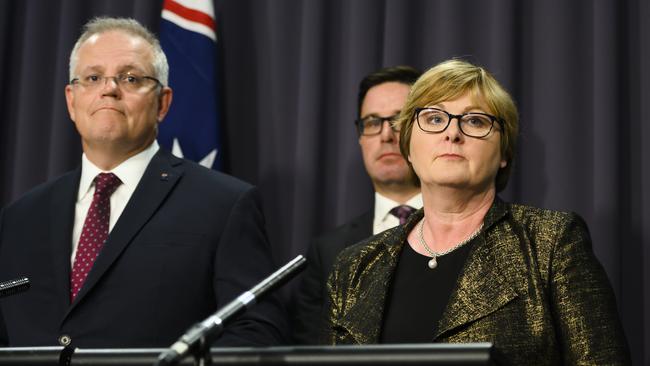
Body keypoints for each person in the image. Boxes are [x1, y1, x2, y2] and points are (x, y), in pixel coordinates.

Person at [0, 17, 287, 348]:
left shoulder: (224, 205)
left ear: (162, 104)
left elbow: (256, 331)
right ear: (71, 101)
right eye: (93, 77)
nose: (109, 88)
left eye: (130, 78)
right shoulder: (19, 218)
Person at [323, 59, 631, 364]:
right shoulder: (355, 267)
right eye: (433, 119)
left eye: (475, 121)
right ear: (408, 147)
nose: (452, 133)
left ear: (503, 153)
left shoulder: (551, 243)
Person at [292, 66, 422, 344]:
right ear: (361, 137)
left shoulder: (470, 231)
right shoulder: (329, 252)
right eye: (373, 122)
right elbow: (312, 352)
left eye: (399, 119)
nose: (386, 135)